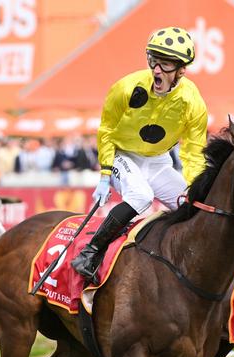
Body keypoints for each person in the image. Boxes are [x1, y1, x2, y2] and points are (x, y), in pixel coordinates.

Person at [71, 26, 207, 284]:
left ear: (181, 70)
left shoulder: (193, 102)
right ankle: (90, 253)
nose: (156, 70)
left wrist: (195, 185)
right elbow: (107, 130)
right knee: (141, 196)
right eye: (154, 60)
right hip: (124, 156)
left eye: (165, 64)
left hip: (158, 162)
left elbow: (193, 151)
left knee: (192, 207)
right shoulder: (125, 87)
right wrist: (105, 173)